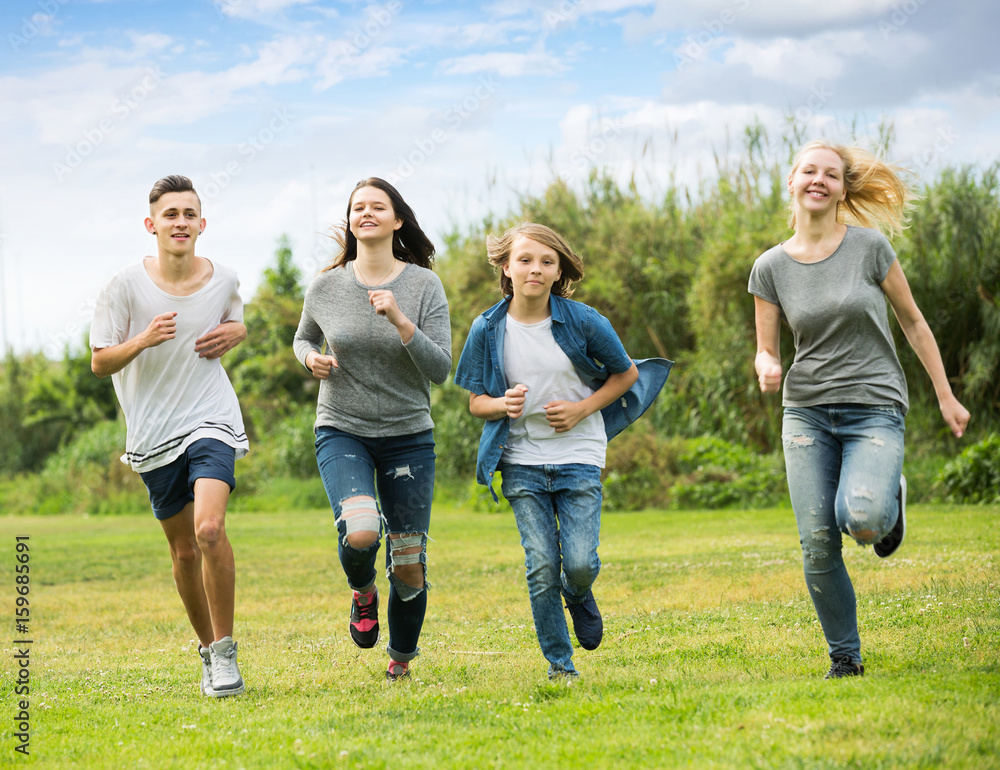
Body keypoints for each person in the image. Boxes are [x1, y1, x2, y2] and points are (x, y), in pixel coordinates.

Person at [748, 140, 971, 679]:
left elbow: (913, 321)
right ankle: (845, 657)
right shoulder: (769, 267)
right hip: (805, 412)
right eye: (809, 171)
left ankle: (889, 497)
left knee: (863, 522)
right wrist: (767, 365)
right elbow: (766, 348)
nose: (818, 180)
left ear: (843, 189)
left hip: (874, 405)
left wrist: (945, 395)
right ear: (792, 181)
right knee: (817, 542)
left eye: (831, 174)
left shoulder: (870, 247)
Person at [453, 223, 672, 680]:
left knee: (578, 563)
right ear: (506, 267)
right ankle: (560, 666)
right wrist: (502, 404)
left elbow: (626, 374)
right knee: (541, 566)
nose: (535, 269)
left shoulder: (584, 320)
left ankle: (577, 592)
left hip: (579, 453)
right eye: (525, 260)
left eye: (546, 262)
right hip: (521, 460)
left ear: (559, 272)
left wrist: (581, 410)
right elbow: (476, 402)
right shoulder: (487, 328)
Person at [90, 174, 250, 697]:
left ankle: (225, 653)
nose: (180, 222)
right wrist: (143, 340)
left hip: (211, 417)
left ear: (202, 224)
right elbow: (99, 361)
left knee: (209, 529)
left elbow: (235, 321)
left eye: (189, 214)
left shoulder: (224, 279)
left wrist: (239, 330)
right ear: (151, 224)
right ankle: (207, 650)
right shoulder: (122, 286)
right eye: (170, 214)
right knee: (183, 552)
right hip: (154, 431)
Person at [293, 177, 451, 682]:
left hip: (408, 434)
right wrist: (311, 359)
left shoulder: (424, 286)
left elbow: (441, 368)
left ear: (397, 219)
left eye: (377, 206)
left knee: (408, 562)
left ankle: (400, 661)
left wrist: (401, 321)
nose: (366, 213)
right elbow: (302, 339)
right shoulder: (326, 286)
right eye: (357, 207)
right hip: (342, 427)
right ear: (350, 221)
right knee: (361, 530)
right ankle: (362, 591)